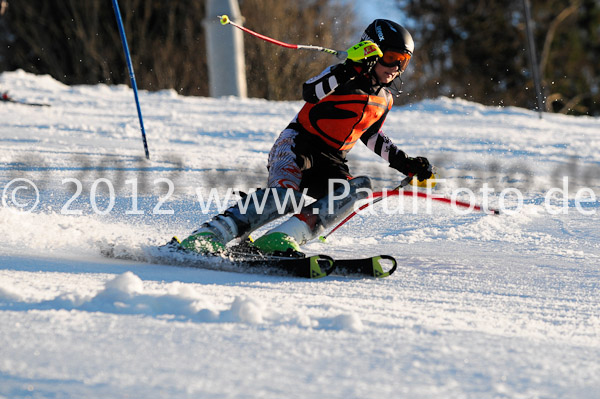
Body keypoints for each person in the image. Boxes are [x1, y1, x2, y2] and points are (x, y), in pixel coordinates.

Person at [176, 19, 433, 255]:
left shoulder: (385, 99)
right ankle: (209, 235)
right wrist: (347, 69)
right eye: (391, 58)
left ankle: (281, 238)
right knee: (287, 196)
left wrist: (405, 162)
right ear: (372, 51)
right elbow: (310, 92)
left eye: (403, 62)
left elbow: (369, 133)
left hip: (332, 159)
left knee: (356, 189)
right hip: (297, 144)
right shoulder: (342, 75)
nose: (396, 69)